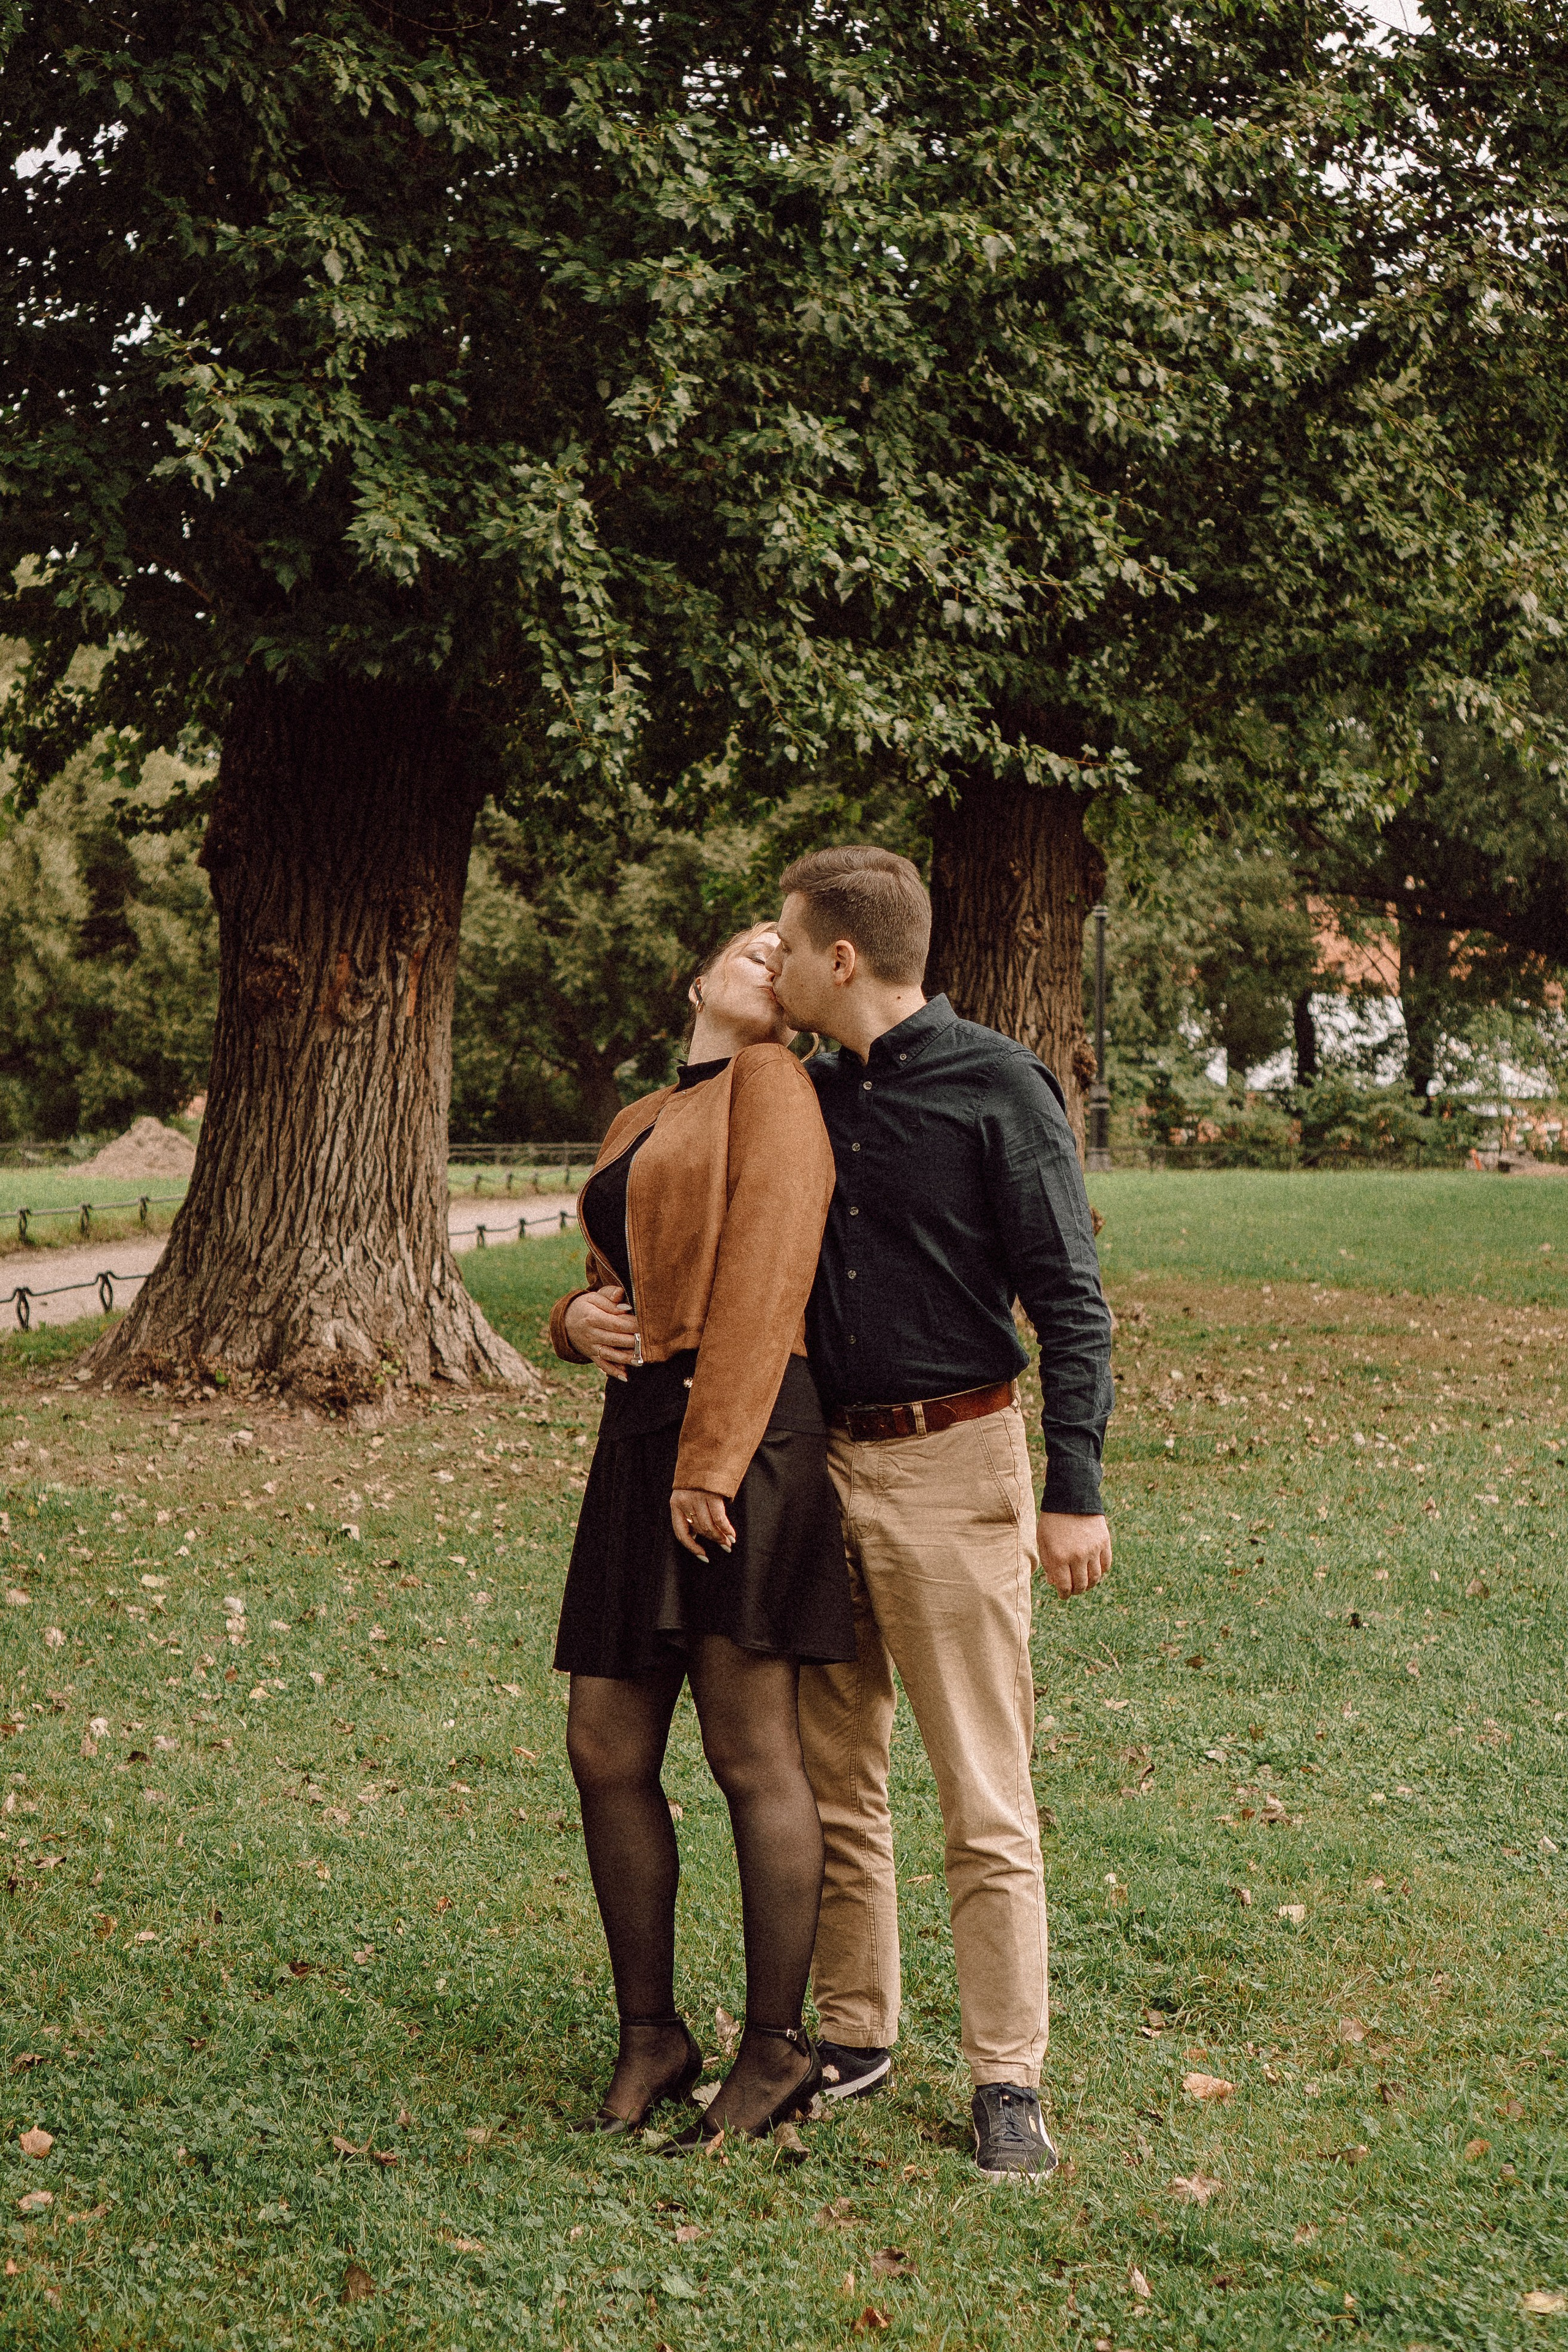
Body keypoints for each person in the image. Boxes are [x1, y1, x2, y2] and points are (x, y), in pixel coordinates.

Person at [763, 846, 1115, 2186]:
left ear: (840, 957)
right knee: (832, 1767)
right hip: (816, 1470)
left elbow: (1070, 1300)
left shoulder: (998, 1086)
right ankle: (854, 2035)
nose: (780, 965)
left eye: (790, 945)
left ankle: (1005, 2076)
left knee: (982, 1786)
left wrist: (1072, 1490)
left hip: (955, 1464)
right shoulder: (796, 1096)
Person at [548, 924, 854, 2152]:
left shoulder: (773, 1086)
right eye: (748, 939)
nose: (763, 955)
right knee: (603, 1742)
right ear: (700, 972)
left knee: (748, 1752)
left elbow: (769, 1277)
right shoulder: (640, 1114)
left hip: (737, 1433)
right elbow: (608, 1273)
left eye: (786, 953)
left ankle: (776, 2048)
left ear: (793, 1004)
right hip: (638, 1439)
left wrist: (712, 1460)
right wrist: (573, 1320)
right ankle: (650, 2036)